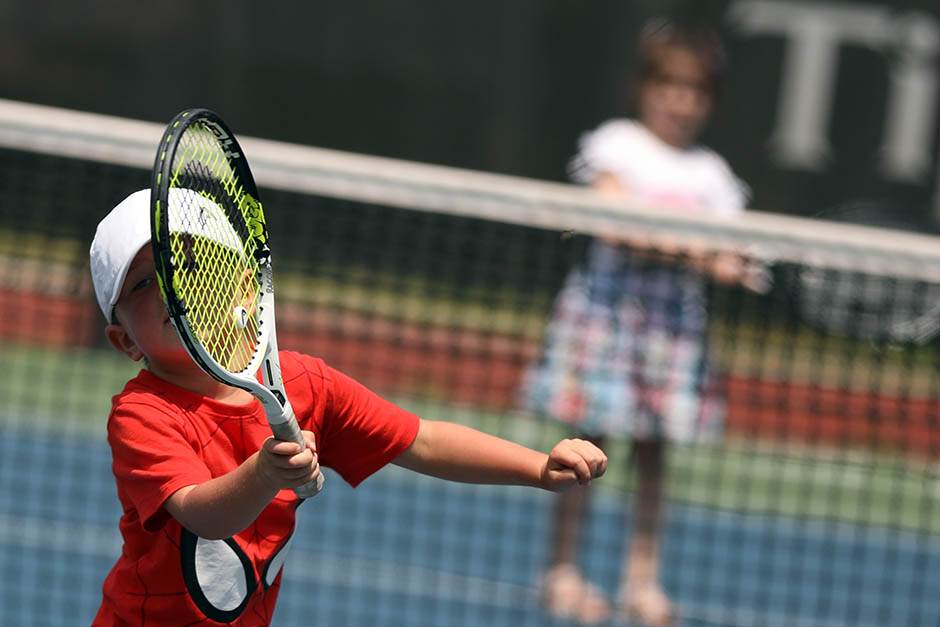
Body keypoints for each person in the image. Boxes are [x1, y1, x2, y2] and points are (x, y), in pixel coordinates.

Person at [89, 189, 608, 626]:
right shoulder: (142, 415)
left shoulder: (306, 383)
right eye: (143, 282)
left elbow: (421, 440)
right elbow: (206, 514)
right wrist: (265, 473)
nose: (174, 286)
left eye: (194, 262)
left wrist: (538, 468)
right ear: (123, 341)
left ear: (242, 281)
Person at [524, 17, 755, 626]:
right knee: (584, 449)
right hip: (606, 324)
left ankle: (641, 581)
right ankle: (562, 571)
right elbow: (614, 223)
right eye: (670, 86)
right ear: (645, 87)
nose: (682, 102)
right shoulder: (618, 145)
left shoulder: (712, 175)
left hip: (671, 337)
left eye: (696, 91)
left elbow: (734, 254)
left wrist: (718, 259)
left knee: (654, 458)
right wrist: (696, 253)